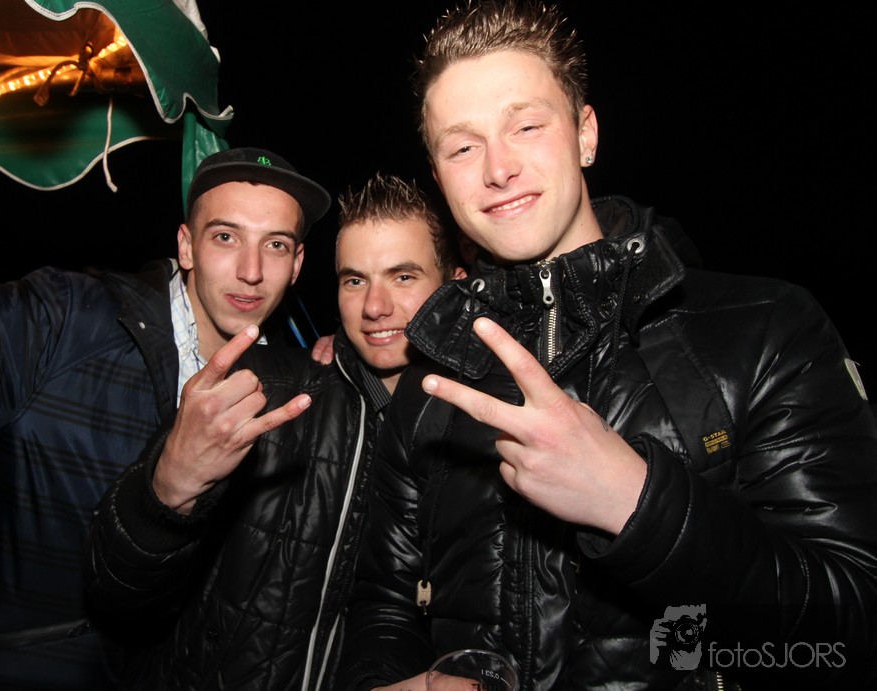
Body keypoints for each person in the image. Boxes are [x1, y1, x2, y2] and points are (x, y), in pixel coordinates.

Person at [336, 2, 877, 690]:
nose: (498, 168)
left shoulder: (762, 328)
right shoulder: (431, 382)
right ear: (439, 177)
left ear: (585, 134)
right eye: (463, 147)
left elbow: (853, 624)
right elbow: (383, 604)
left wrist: (637, 502)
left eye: (526, 126)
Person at [0, 140, 330, 689]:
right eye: (226, 237)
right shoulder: (65, 323)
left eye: (276, 245)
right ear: (187, 246)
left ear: (297, 265)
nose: (251, 270)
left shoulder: (295, 389)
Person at [83, 173, 465, 689]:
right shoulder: (266, 392)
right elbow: (115, 591)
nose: (375, 307)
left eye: (403, 277)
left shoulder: (486, 424)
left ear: (454, 285)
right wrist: (167, 489)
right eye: (354, 280)